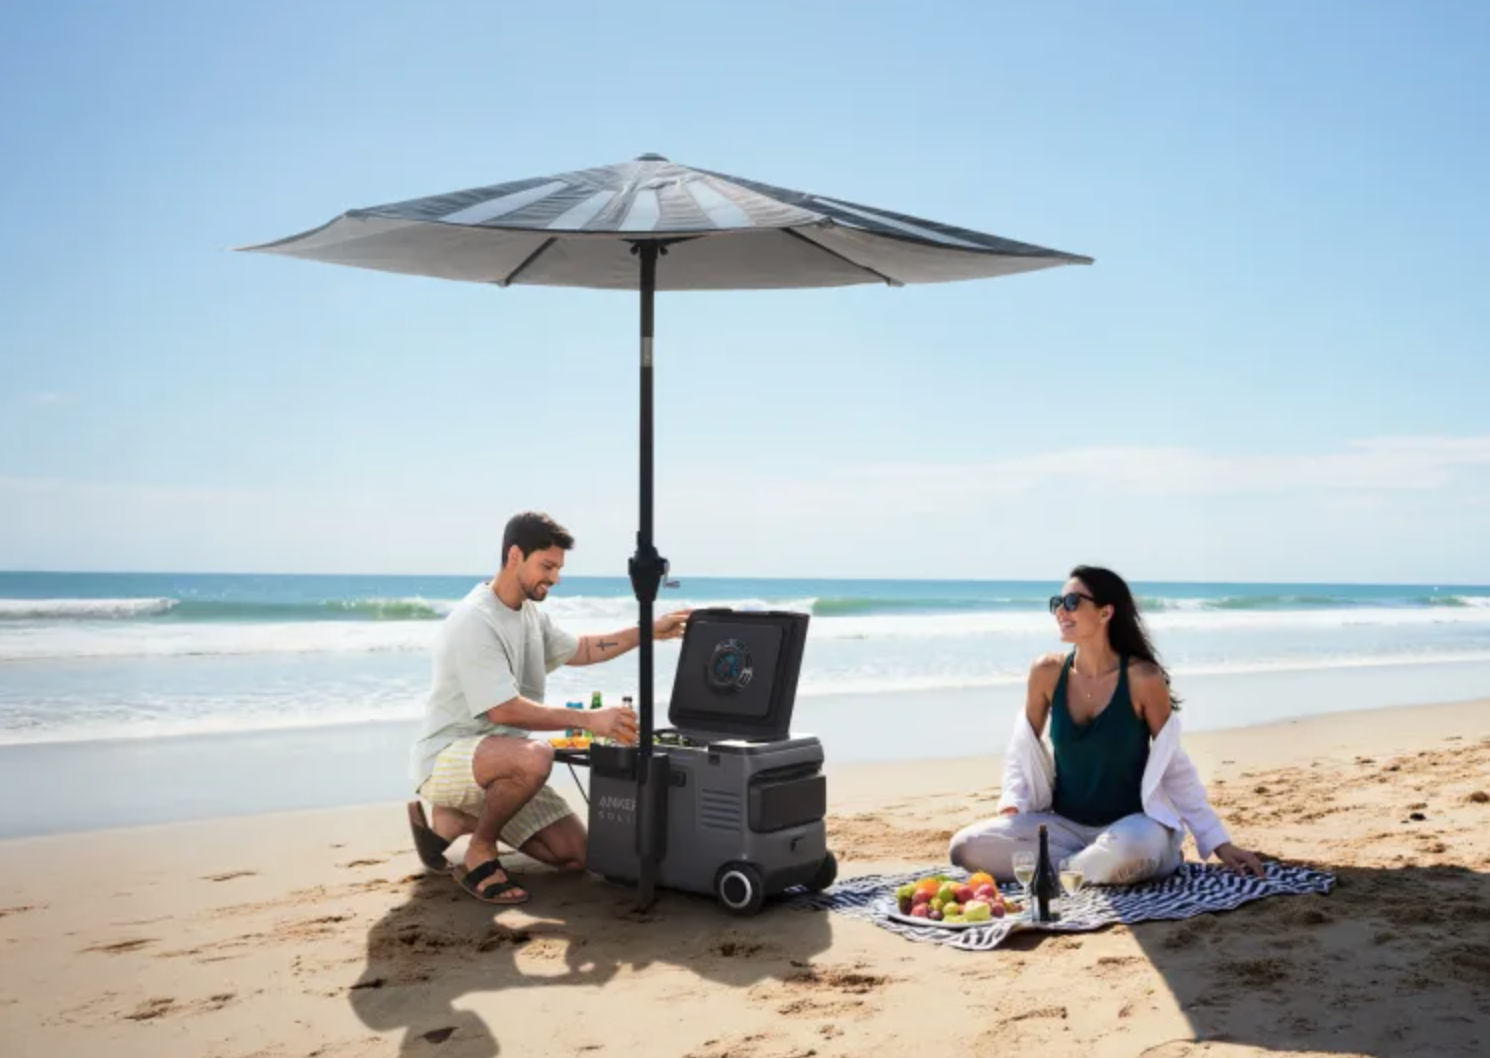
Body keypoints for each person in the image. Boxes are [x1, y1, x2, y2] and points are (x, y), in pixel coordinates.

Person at [405, 511, 690, 906]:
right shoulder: (476, 620)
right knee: (536, 757)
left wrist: (648, 631)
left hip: (500, 761)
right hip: (447, 758)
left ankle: (460, 818)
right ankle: (479, 852)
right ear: (515, 556)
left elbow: (584, 649)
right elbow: (503, 710)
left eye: (558, 567)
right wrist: (590, 720)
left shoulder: (530, 614)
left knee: (577, 854)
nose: (555, 577)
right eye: (547, 565)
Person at [948, 565, 1264, 886]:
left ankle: (1066, 871)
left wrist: (1217, 841)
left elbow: (1174, 765)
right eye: (1057, 602)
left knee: (1132, 848)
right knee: (965, 848)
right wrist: (1015, 803)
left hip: (1134, 827)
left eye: (1072, 602)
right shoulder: (1047, 672)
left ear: (1105, 612)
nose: (1060, 610)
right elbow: (1022, 748)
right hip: (1065, 827)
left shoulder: (1143, 679)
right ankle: (1083, 871)